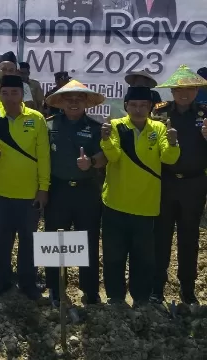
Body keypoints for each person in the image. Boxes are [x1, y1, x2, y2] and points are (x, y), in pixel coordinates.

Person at [100, 86, 179, 306]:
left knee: (142, 258)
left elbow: (169, 159)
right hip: (115, 203)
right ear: (125, 106)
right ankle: (115, 297)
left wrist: (173, 143)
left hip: (146, 205)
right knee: (114, 256)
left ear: (151, 107)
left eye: (143, 105)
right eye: (133, 105)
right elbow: (113, 156)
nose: (138, 109)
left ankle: (141, 298)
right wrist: (105, 139)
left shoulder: (159, 129)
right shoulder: (116, 127)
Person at [0, 75, 49, 300]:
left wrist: (43, 188)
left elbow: (44, 157)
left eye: (15, 93)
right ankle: (1, 279)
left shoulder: (36, 120)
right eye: (5, 93)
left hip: (29, 194)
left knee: (29, 240)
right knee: (0, 239)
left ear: (22, 94)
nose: (10, 98)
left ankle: (28, 281)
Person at [43, 80, 107, 306]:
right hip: (58, 189)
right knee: (55, 239)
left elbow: (104, 157)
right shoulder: (48, 125)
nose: (73, 103)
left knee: (87, 239)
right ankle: (54, 288)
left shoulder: (96, 127)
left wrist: (90, 162)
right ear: (60, 103)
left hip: (86, 192)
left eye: (78, 99)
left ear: (86, 103)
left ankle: (89, 290)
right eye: (68, 99)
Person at [150, 65, 207, 306]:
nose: (184, 93)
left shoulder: (205, 114)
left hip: (194, 185)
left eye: (190, 89)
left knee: (189, 238)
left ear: (197, 91)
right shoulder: (160, 113)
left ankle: (187, 289)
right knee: (160, 237)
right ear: (172, 91)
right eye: (179, 89)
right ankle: (156, 288)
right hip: (166, 182)